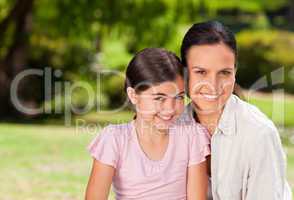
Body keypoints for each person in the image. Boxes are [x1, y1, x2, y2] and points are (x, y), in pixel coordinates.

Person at [179, 20, 292, 200]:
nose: (213, 85)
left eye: (224, 73)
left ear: (235, 72)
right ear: (184, 73)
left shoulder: (259, 134)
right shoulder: (172, 128)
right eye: (201, 72)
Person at [85, 48, 211, 200]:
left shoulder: (192, 137)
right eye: (159, 98)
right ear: (133, 95)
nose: (170, 109)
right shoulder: (114, 139)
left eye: (179, 97)